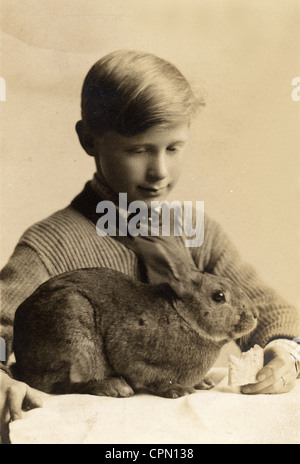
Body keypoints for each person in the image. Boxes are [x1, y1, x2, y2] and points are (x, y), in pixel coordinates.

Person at [1, 49, 299, 431]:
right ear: (89, 140)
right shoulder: (50, 244)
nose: (159, 171)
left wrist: (285, 353)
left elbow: (269, 311)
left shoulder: (196, 233)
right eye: (138, 150)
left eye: (173, 149)